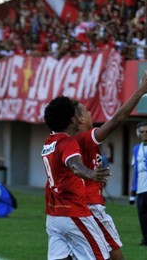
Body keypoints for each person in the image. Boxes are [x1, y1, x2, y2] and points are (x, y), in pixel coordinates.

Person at [73, 70, 147, 258]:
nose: (91, 114)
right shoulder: (84, 138)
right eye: (87, 112)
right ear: (80, 119)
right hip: (90, 205)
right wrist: (140, 91)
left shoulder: (75, 141)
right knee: (114, 251)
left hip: (80, 205)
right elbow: (117, 120)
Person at [42, 96, 111, 260]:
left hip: (53, 215)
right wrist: (91, 173)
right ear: (73, 119)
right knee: (102, 256)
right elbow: (74, 164)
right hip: (73, 212)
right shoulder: (68, 142)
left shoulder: (49, 142)